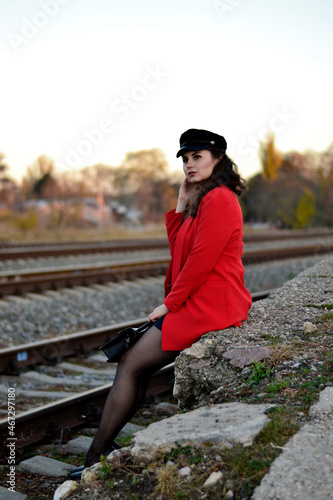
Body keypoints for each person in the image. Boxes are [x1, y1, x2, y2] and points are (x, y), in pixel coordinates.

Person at [71, 128, 252, 477]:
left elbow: (199, 261)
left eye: (197, 157)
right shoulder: (205, 198)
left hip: (212, 303)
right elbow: (181, 252)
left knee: (130, 363)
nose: (189, 164)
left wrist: (169, 305)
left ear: (218, 159)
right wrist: (181, 206)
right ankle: (102, 450)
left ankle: (95, 457)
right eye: (185, 159)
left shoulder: (220, 199)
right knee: (133, 363)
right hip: (201, 299)